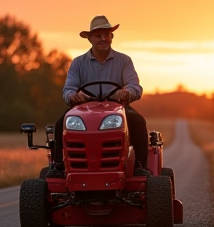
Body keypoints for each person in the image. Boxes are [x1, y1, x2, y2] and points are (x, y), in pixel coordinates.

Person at [54, 15, 150, 176]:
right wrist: (74, 96)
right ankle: (59, 166)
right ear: (90, 39)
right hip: (84, 110)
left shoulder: (124, 61)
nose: (103, 38)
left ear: (112, 36)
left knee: (138, 122)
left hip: (118, 108)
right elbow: (68, 90)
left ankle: (140, 166)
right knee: (60, 124)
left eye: (107, 34)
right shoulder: (78, 63)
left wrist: (127, 93)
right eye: (99, 36)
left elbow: (135, 86)